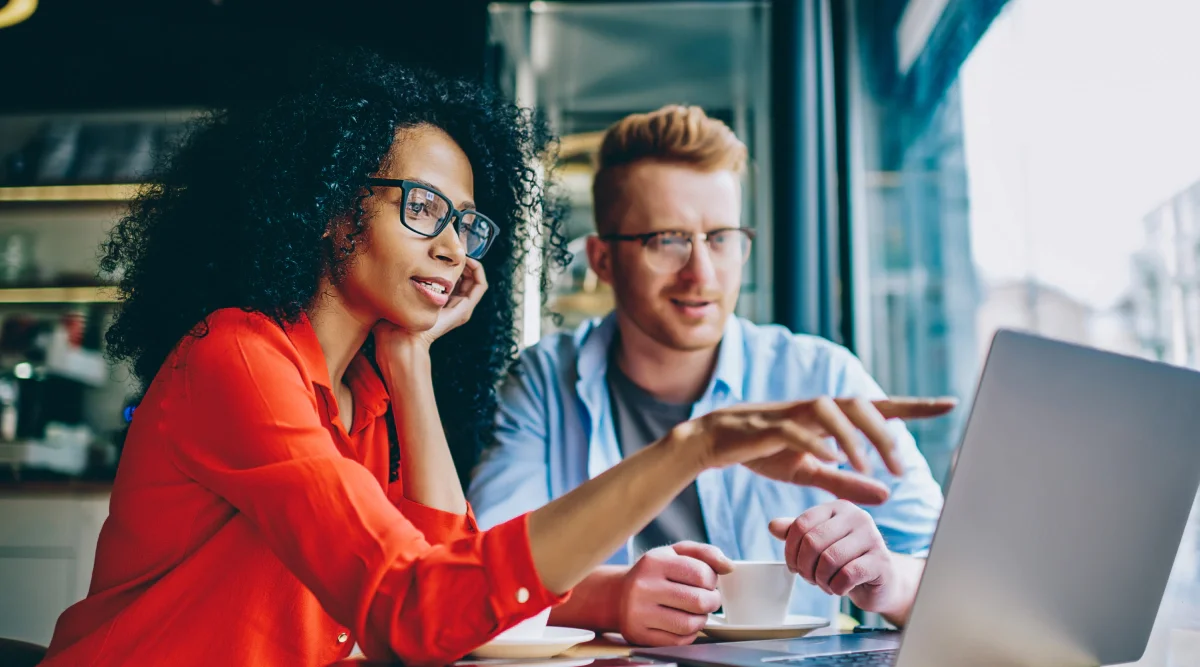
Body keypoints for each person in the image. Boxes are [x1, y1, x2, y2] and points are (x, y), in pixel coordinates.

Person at [39, 52, 953, 667]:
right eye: (422, 208)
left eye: (466, 222)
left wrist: (409, 363)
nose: (453, 247)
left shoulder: (366, 391)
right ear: (326, 205)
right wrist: (693, 446)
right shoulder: (237, 357)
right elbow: (414, 607)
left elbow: (442, 575)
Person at [468, 105, 949, 647]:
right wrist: (612, 596)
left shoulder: (821, 375)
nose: (702, 272)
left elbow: (955, 576)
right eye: (667, 240)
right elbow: (479, 576)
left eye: (721, 238)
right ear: (602, 260)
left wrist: (886, 579)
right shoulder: (544, 381)